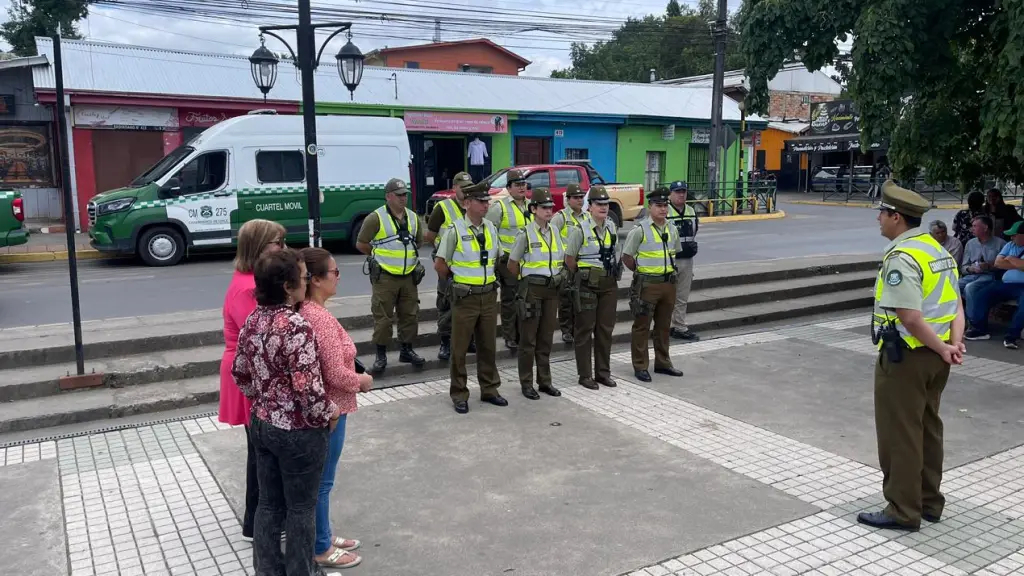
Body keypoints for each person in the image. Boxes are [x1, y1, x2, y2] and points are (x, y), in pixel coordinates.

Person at [858, 180, 965, 532]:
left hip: (907, 357)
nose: (878, 220)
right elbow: (956, 306)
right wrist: (952, 345)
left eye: (882, 214)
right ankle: (930, 502)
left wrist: (941, 346)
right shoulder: (939, 252)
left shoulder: (903, 257)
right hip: (937, 359)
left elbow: (910, 317)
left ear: (896, 217)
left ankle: (903, 510)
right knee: (928, 428)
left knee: (900, 432)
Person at [232, 249, 340, 576]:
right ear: (287, 286)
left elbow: (240, 373)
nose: (307, 283)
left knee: (268, 505)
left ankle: (268, 571)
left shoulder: (253, 319)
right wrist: (329, 412)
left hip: (263, 424)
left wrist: (265, 397)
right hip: (299, 432)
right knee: (301, 509)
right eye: (304, 278)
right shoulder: (296, 326)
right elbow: (308, 390)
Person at [299, 248, 374, 570]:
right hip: (330, 410)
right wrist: (362, 380)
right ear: (315, 280)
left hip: (324, 407)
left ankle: (324, 535)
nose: (338, 277)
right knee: (322, 482)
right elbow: (334, 374)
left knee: (319, 481)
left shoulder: (307, 311)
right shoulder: (319, 317)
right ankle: (320, 547)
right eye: (334, 272)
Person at [218, 218, 286, 541]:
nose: (284, 248)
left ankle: (257, 519)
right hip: (249, 373)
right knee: (261, 452)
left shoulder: (248, 279)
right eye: (277, 243)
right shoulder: (248, 287)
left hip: (248, 368)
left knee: (259, 448)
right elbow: (261, 335)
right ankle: (257, 520)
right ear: (259, 247)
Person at [435, 182, 507, 414]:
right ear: (467, 204)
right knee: (460, 348)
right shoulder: (454, 230)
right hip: (465, 297)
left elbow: (497, 258)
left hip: (487, 295)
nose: (486, 205)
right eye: (481, 201)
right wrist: (458, 282)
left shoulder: (491, 228)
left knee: (487, 346)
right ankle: (459, 393)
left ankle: (489, 389)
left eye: (487, 201)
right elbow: (440, 264)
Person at [356, 177, 426, 374]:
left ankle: (407, 350)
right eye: (399, 195)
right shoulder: (375, 218)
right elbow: (361, 243)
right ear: (388, 197)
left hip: (409, 276)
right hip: (385, 276)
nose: (403, 198)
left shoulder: (412, 217)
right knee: (383, 318)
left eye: (405, 195)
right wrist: (378, 256)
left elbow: (419, 242)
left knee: (410, 315)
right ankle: (381, 355)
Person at [621, 188, 685, 382]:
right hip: (648, 284)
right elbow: (627, 257)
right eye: (659, 205)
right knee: (642, 326)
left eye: (665, 206)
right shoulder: (639, 230)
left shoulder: (672, 228)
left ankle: (663, 362)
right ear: (650, 207)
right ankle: (640, 365)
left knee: (664, 326)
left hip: (668, 284)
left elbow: (675, 253)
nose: (663, 209)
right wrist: (642, 272)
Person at [509, 187, 566, 400]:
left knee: (546, 339)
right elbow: (512, 264)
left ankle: (545, 381)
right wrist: (526, 282)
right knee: (528, 340)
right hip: (532, 289)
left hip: (551, 289)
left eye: (551, 207)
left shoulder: (555, 232)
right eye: (544, 207)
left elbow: (560, 259)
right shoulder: (525, 233)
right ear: (534, 209)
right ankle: (526, 383)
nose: (549, 211)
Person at [564, 185, 620, 390]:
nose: (603, 208)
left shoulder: (611, 226)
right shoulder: (579, 229)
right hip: (587, 283)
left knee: (605, 329)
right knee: (585, 329)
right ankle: (585, 374)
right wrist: (583, 275)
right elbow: (569, 259)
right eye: (599, 204)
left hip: (608, 282)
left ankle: (603, 373)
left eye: (606, 204)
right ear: (590, 207)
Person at [425, 171, 472, 361]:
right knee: (446, 302)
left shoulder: (474, 206)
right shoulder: (443, 208)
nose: (467, 191)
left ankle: (469, 341)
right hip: (447, 264)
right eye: (463, 187)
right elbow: (429, 235)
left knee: (469, 304)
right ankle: (445, 342)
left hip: (470, 265)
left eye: (469, 187)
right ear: (455, 188)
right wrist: (442, 251)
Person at [487, 169, 531, 350]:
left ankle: (522, 334)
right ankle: (509, 336)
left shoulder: (531, 206)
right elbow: (489, 232)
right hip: (507, 260)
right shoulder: (500, 207)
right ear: (509, 188)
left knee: (526, 298)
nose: (521, 188)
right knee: (509, 299)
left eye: (523, 184)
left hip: (528, 261)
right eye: (517, 185)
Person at [965, 221, 1024, 348]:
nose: (1011, 238)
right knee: (981, 294)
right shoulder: (1010, 245)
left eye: (1014, 235)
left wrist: (1010, 259)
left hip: (1022, 286)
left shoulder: (1011, 249)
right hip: (1005, 283)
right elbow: (998, 263)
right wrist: (1016, 263)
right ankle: (980, 329)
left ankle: (1011, 337)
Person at [551, 183, 589, 344]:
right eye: (576, 197)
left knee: (580, 297)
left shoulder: (587, 217)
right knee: (565, 298)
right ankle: (566, 330)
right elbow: (551, 237)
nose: (580, 200)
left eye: (581, 197)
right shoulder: (560, 217)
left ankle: (577, 328)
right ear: (568, 199)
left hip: (582, 262)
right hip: (565, 263)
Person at [666, 181, 700, 341]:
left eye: (683, 192)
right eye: (678, 192)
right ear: (670, 194)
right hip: (669, 261)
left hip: (687, 260)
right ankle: (663, 327)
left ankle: (679, 327)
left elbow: (695, 231)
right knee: (665, 296)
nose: (681, 194)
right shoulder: (665, 211)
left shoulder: (691, 211)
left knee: (682, 297)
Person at [958, 215, 1005, 303]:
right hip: (972, 275)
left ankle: (972, 316)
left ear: (985, 228)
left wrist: (989, 266)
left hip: (990, 276)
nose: (971, 229)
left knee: (970, 288)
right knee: (952, 286)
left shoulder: (1001, 244)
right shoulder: (970, 243)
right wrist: (970, 269)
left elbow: (1005, 267)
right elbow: (963, 267)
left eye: (975, 226)